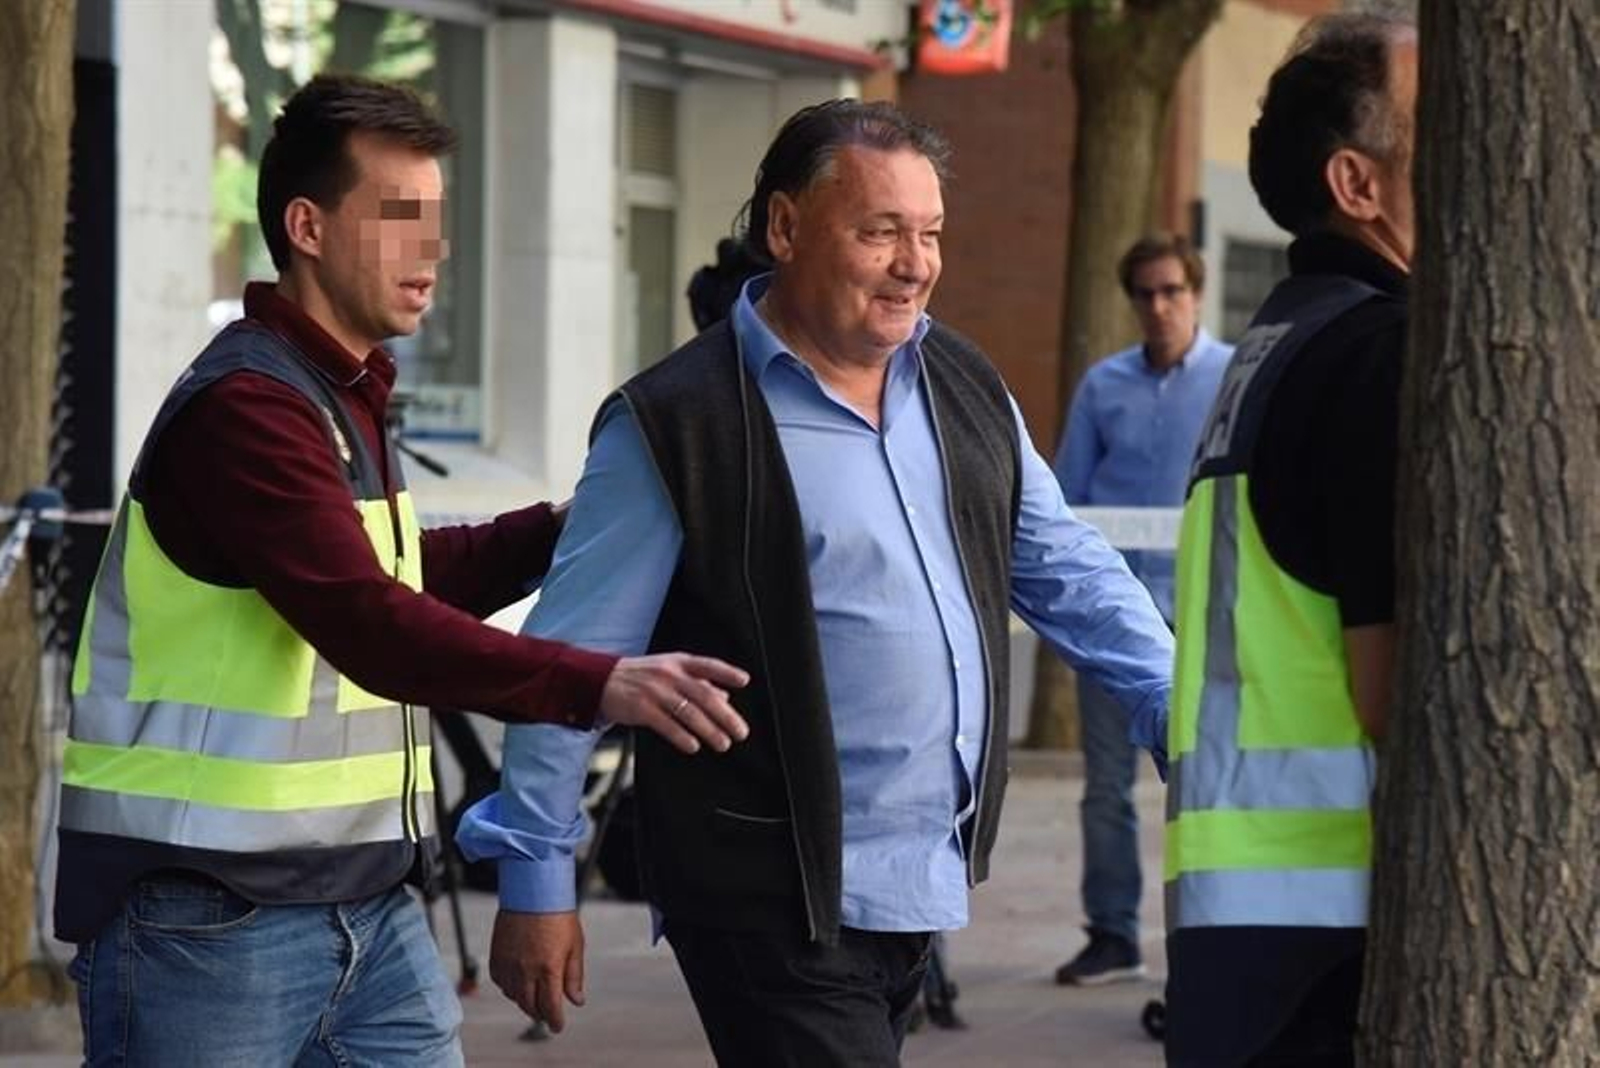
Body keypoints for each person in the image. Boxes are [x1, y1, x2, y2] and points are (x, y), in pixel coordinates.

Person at [458, 99, 1175, 1067]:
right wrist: (535, 875)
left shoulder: (961, 384)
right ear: (785, 228)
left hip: (917, 887)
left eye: (928, 235)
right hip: (763, 897)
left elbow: (1063, 565)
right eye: (879, 232)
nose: (914, 263)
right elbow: (567, 658)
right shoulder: (676, 423)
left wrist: (1173, 706)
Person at [58, 74, 748, 1068]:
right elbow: (369, 622)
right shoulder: (249, 407)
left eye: (437, 218)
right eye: (398, 216)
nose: (433, 249)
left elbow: (402, 574)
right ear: (306, 225)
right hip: (210, 922)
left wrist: (583, 522)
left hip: (368, 912)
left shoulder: (339, 394)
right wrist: (595, 683)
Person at [1163, 13, 1415, 1065]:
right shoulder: (1379, 353)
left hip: (1249, 925)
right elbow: (1394, 690)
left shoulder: (1277, 341)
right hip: (1337, 931)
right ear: (1358, 184)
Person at [1050, 233, 1231, 986]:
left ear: (1196, 292)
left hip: (1206, 616)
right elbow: (1064, 501)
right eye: (1145, 294)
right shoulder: (1102, 386)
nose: (1159, 306)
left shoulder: (1231, 377)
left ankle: (1214, 936)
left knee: (1212, 779)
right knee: (1107, 786)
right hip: (1114, 617)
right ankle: (1114, 933)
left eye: (1172, 291)